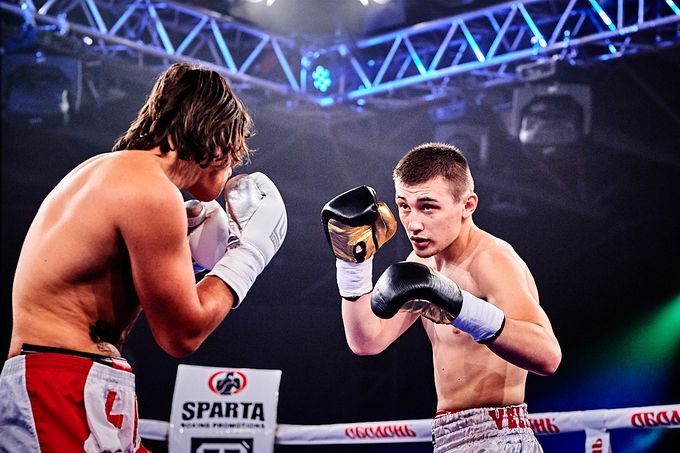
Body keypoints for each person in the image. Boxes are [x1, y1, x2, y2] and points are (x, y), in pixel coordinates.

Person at [0, 63, 287, 452]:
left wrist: (191, 261)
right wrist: (248, 253)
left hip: (71, 375)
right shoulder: (151, 191)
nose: (233, 167)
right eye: (235, 155)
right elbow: (181, 334)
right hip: (60, 382)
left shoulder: (108, 171)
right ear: (218, 142)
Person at [322, 142, 560, 452]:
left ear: (467, 205)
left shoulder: (491, 260)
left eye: (428, 207)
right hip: (448, 437)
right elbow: (367, 341)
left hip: (498, 436)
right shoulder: (421, 265)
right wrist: (352, 264)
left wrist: (461, 307)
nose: (413, 223)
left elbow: (547, 357)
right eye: (404, 206)